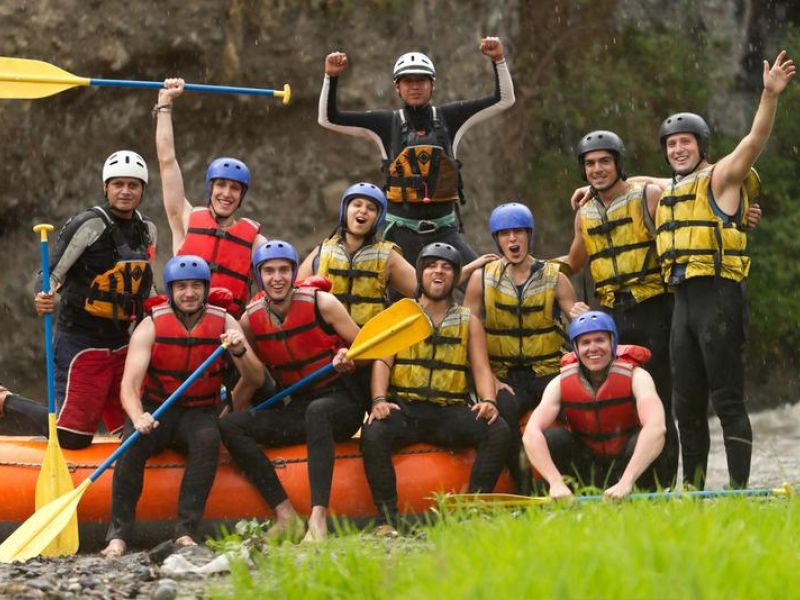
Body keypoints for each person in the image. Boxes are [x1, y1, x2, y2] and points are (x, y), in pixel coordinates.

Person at [651, 51, 795, 489]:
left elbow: (754, 141)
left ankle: (738, 491)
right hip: (682, 304)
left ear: (701, 147)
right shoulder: (663, 191)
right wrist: (588, 188)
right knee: (685, 407)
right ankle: (693, 493)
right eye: (672, 144)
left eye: (686, 142)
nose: (678, 149)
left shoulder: (722, 179)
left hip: (719, 299)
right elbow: (630, 181)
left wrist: (768, 96)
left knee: (728, 400)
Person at [101, 256, 262, 557]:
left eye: (196, 286)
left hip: (199, 411)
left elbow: (255, 377)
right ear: (171, 291)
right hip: (156, 408)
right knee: (131, 447)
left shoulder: (225, 322)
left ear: (205, 289)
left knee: (207, 440)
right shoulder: (151, 325)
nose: (189, 293)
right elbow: (128, 386)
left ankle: (186, 531)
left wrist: (239, 350)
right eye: (182, 287)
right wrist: (137, 417)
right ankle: (118, 535)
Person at [3, 151, 157, 449]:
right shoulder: (88, 224)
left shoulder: (147, 230)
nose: (125, 191)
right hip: (80, 341)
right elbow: (50, 274)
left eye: (133, 185)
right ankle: (6, 401)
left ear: (142, 190)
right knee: (71, 438)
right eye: (118, 184)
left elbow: (144, 285)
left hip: (124, 343)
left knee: (137, 432)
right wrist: (43, 295)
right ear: (106, 188)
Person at [318, 38, 515, 271]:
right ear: (397, 87)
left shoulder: (450, 118)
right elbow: (328, 119)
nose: (415, 86)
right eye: (407, 81)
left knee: (484, 284)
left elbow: (504, 100)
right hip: (400, 234)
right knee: (393, 302)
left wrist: (498, 60)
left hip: (445, 231)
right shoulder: (384, 123)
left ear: (433, 85)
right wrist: (331, 76)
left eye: (421, 80)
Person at [220, 240, 364, 543]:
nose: (277, 277)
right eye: (269, 271)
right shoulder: (250, 320)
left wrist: (348, 357)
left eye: (284, 270)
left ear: (293, 273)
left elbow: (367, 349)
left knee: (319, 411)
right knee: (231, 425)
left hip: (341, 403)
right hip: (298, 407)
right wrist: (221, 422)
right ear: (259, 276)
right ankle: (286, 515)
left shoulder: (322, 303)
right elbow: (253, 377)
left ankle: (318, 518)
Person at [360, 242, 512, 529]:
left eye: (446, 267)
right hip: (405, 410)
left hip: (448, 412)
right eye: (431, 266)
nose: (438, 272)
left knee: (499, 431)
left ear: (455, 277)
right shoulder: (402, 314)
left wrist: (489, 402)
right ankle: (387, 520)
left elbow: (481, 367)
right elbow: (383, 362)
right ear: (421, 274)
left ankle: (472, 510)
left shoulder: (469, 321)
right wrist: (379, 400)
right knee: (374, 433)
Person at [558, 130, 680, 486]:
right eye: (590, 164)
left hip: (655, 309)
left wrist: (739, 214)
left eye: (604, 161)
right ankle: (627, 480)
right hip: (613, 318)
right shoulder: (584, 212)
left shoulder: (648, 196)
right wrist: (528, 267)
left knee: (660, 399)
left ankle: (665, 485)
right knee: (620, 399)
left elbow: (692, 193)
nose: (597, 169)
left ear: (618, 163)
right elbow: (574, 261)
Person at [464, 202, 588, 490]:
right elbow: (468, 335)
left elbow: (574, 318)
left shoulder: (555, 277)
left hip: (549, 371)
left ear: (528, 236)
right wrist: (489, 381)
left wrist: (580, 316)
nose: (512, 240)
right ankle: (523, 487)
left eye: (518, 232)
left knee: (580, 413)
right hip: (505, 376)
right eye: (505, 234)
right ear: (496, 239)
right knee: (502, 420)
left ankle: (583, 482)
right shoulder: (480, 279)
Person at [297, 181, 497, 325]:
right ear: (345, 210)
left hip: (369, 346)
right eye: (357, 205)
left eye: (371, 208)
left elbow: (427, 291)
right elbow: (294, 298)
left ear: (378, 218)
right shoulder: (322, 251)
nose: (363, 211)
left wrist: (469, 268)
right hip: (328, 347)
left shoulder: (387, 256)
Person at [523, 311, 667, 499]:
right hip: (588, 467)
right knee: (553, 437)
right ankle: (565, 495)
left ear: (612, 343)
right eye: (585, 343)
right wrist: (555, 482)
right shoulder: (559, 383)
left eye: (600, 340)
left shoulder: (638, 377)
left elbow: (656, 429)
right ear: (575, 348)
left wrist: (626, 482)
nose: (593, 348)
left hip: (628, 465)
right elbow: (531, 434)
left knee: (651, 437)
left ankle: (645, 493)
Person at [155, 78, 267, 318]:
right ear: (210, 188)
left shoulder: (256, 242)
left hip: (227, 333)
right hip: (182, 327)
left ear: (242, 195)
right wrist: (164, 105)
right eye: (221, 185)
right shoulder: (185, 218)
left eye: (235, 188)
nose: (226, 194)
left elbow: (279, 285)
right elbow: (166, 161)